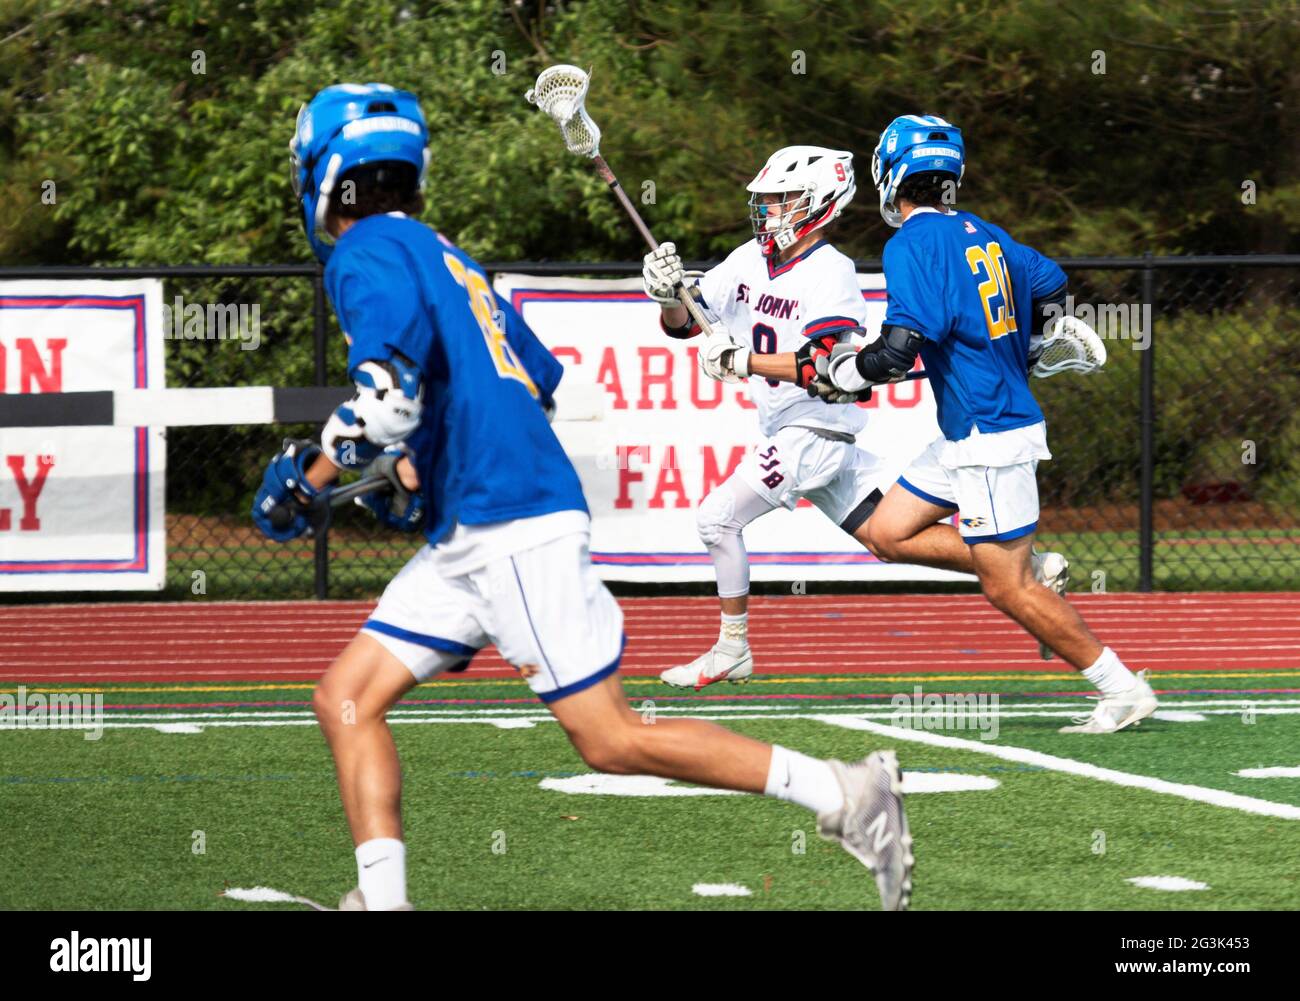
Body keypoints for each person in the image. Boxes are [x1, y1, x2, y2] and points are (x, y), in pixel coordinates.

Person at [250, 84, 914, 911]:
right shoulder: (442, 252)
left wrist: (308, 480)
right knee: (348, 696)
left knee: (609, 738)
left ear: (326, 174)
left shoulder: (366, 252)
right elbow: (536, 382)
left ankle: (846, 794)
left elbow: (386, 400)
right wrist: (425, 468)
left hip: (507, 520)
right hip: (477, 518)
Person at [643, 146, 1071, 690]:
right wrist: (667, 297)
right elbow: (687, 323)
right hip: (790, 428)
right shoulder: (748, 258)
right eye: (767, 201)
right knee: (887, 539)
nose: (768, 211)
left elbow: (819, 366)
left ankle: (732, 647)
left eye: (781, 200)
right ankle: (1031, 567)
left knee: (716, 519)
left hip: (814, 430)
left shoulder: (831, 271)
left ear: (816, 202)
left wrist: (742, 360)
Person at [813, 115, 1157, 734]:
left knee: (1006, 590)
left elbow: (898, 349)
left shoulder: (911, 243)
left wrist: (845, 374)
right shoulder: (986, 232)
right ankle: (1036, 566)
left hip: (989, 433)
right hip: (964, 431)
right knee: (888, 532)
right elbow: (1051, 283)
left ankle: (1120, 686)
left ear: (892, 176)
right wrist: (1025, 345)